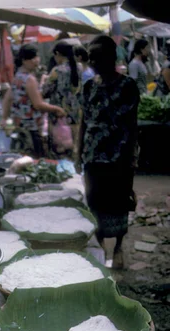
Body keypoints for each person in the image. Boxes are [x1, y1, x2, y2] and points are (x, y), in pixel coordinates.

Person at [78, 35, 140, 270]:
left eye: (97, 56)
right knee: (94, 201)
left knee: (119, 201)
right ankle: (101, 245)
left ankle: (119, 246)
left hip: (119, 156)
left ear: (111, 58)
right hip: (93, 157)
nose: (92, 61)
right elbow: (84, 122)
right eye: (90, 56)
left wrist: (133, 155)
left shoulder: (127, 86)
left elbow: (133, 125)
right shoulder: (88, 86)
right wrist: (78, 153)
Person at [1, 44, 65, 158]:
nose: (36, 60)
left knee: (25, 156)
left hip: (20, 125)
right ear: (24, 60)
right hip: (32, 127)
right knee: (36, 159)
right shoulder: (29, 79)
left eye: (36, 57)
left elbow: (8, 98)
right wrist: (57, 109)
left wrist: (4, 118)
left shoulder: (18, 76)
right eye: (32, 58)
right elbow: (38, 104)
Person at [43, 42, 80, 144]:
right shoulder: (79, 68)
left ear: (58, 54)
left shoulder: (57, 71)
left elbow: (45, 91)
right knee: (74, 141)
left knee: (59, 144)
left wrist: (43, 80)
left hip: (58, 111)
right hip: (75, 111)